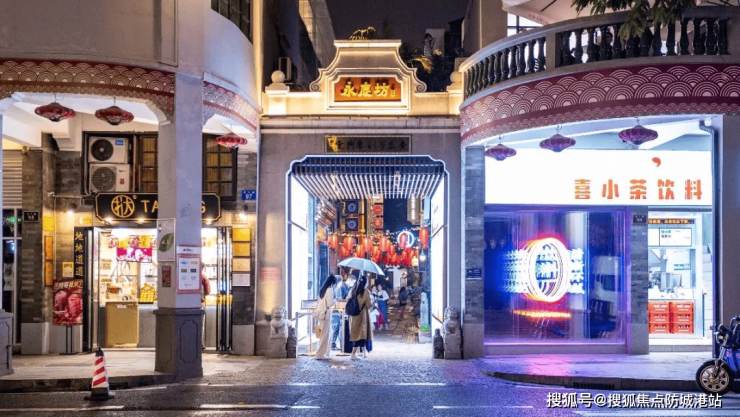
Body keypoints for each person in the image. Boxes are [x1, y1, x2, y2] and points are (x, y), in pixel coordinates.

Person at [314, 274, 339, 360]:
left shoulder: (323, 289)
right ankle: (320, 354)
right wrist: (335, 300)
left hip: (321, 314)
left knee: (327, 333)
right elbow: (329, 303)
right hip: (326, 314)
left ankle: (326, 352)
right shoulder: (330, 290)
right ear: (333, 283)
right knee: (325, 335)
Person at [349, 275, 373, 360]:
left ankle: (364, 352)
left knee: (356, 333)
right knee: (361, 334)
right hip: (362, 315)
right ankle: (353, 354)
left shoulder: (353, 290)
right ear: (366, 283)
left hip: (353, 315)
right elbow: (369, 305)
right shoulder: (366, 292)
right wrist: (373, 302)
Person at [331, 275, 349, 350]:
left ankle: (333, 344)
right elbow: (339, 300)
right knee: (336, 328)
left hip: (333, 311)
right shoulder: (337, 289)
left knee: (335, 328)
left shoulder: (332, 288)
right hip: (337, 311)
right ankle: (333, 344)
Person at [201, 271, 211, 349]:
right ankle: (200, 344)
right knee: (201, 325)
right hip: (200, 303)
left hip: (187, 304)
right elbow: (207, 292)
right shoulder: (204, 278)